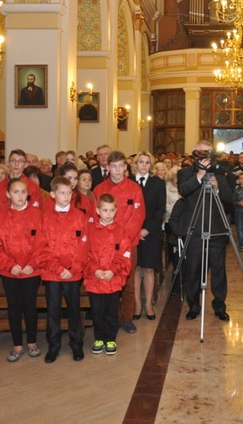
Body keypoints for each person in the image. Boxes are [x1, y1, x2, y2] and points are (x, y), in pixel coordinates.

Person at [178, 141, 233, 321]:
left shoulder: (219, 174)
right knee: (193, 269)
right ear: (195, 154)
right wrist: (200, 175)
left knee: (218, 270)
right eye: (201, 152)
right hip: (194, 230)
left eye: (207, 152)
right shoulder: (185, 172)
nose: (204, 155)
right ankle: (193, 305)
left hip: (216, 230)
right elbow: (184, 190)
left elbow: (229, 197)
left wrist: (217, 186)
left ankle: (219, 306)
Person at [35, 176, 89, 363]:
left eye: (69, 193)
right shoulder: (45, 218)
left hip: (73, 273)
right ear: (52, 194)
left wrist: (73, 268)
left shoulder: (80, 217)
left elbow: (83, 245)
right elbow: (41, 247)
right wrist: (58, 269)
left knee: (74, 309)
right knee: (53, 310)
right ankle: (53, 345)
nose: (66, 196)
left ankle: (76, 344)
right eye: (62, 193)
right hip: (52, 274)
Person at [0, 178, 43, 362]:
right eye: (15, 192)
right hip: (9, 271)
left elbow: (43, 243)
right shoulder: (0, 216)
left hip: (31, 270)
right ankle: (17, 344)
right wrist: (9, 265)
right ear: (7, 194)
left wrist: (33, 263)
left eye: (23, 192)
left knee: (29, 305)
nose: (20, 196)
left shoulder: (37, 214)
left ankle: (32, 342)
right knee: (14, 307)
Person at [93, 150, 146, 333]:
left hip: (128, 244)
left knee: (128, 283)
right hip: (103, 246)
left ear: (126, 167)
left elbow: (138, 217)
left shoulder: (134, 189)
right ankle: (112, 317)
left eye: (120, 166)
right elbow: (95, 216)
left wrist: (123, 239)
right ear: (108, 167)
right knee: (108, 281)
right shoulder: (99, 189)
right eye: (113, 166)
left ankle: (127, 317)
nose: (117, 170)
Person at [84, 194, 132, 356]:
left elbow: (125, 254)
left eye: (112, 210)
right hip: (95, 279)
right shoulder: (91, 231)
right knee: (97, 311)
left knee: (111, 311)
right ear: (98, 211)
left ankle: (110, 338)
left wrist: (113, 270)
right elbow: (85, 254)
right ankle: (99, 337)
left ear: (116, 211)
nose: (108, 214)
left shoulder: (120, 231)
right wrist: (95, 269)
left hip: (112, 279)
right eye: (105, 210)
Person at [131, 151, 165, 321]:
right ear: (135, 164)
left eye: (147, 162)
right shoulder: (128, 182)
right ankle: (137, 303)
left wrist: (146, 230)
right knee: (136, 268)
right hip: (131, 232)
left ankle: (148, 304)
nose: (144, 165)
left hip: (150, 232)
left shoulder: (158, 183)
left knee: (149, 268)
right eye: (141, 162)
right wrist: (134, 230)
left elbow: (160, 210)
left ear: (150, 165)